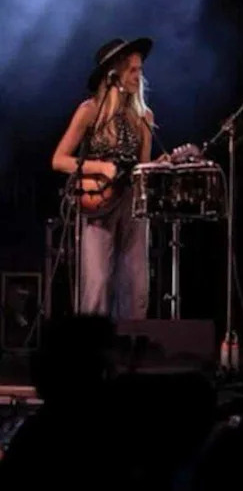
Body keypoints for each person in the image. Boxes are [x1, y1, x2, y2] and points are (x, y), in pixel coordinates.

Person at [51, 37, 159, 320]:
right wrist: (101, 167)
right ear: (115, 74)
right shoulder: (90, 111)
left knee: (136, 284)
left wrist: (160, 167)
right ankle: (91, 353)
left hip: (132, 205)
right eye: (133, 70)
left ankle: (130, 353)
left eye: (140, 69)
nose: (139, 76)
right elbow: (59, 160)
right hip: (97, 204)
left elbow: (143, 168)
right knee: (97, 283)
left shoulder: (144, 117)